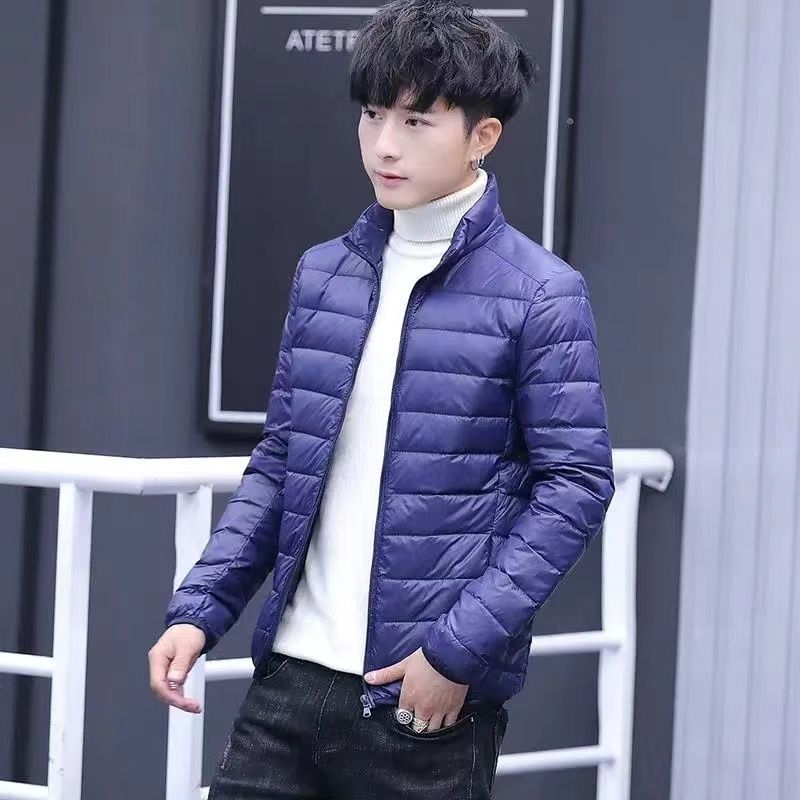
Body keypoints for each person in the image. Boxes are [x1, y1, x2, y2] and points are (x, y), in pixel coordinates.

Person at [148, 0, 615, 796]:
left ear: (482, 136)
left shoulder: (541, 293)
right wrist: (200, 607)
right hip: (288, 680)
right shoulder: (325, 273)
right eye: (373, 114)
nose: (384, 144)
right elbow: (281, 461)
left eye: (417, 120)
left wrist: (454, 652)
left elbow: (574, 484)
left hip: (420, 697)